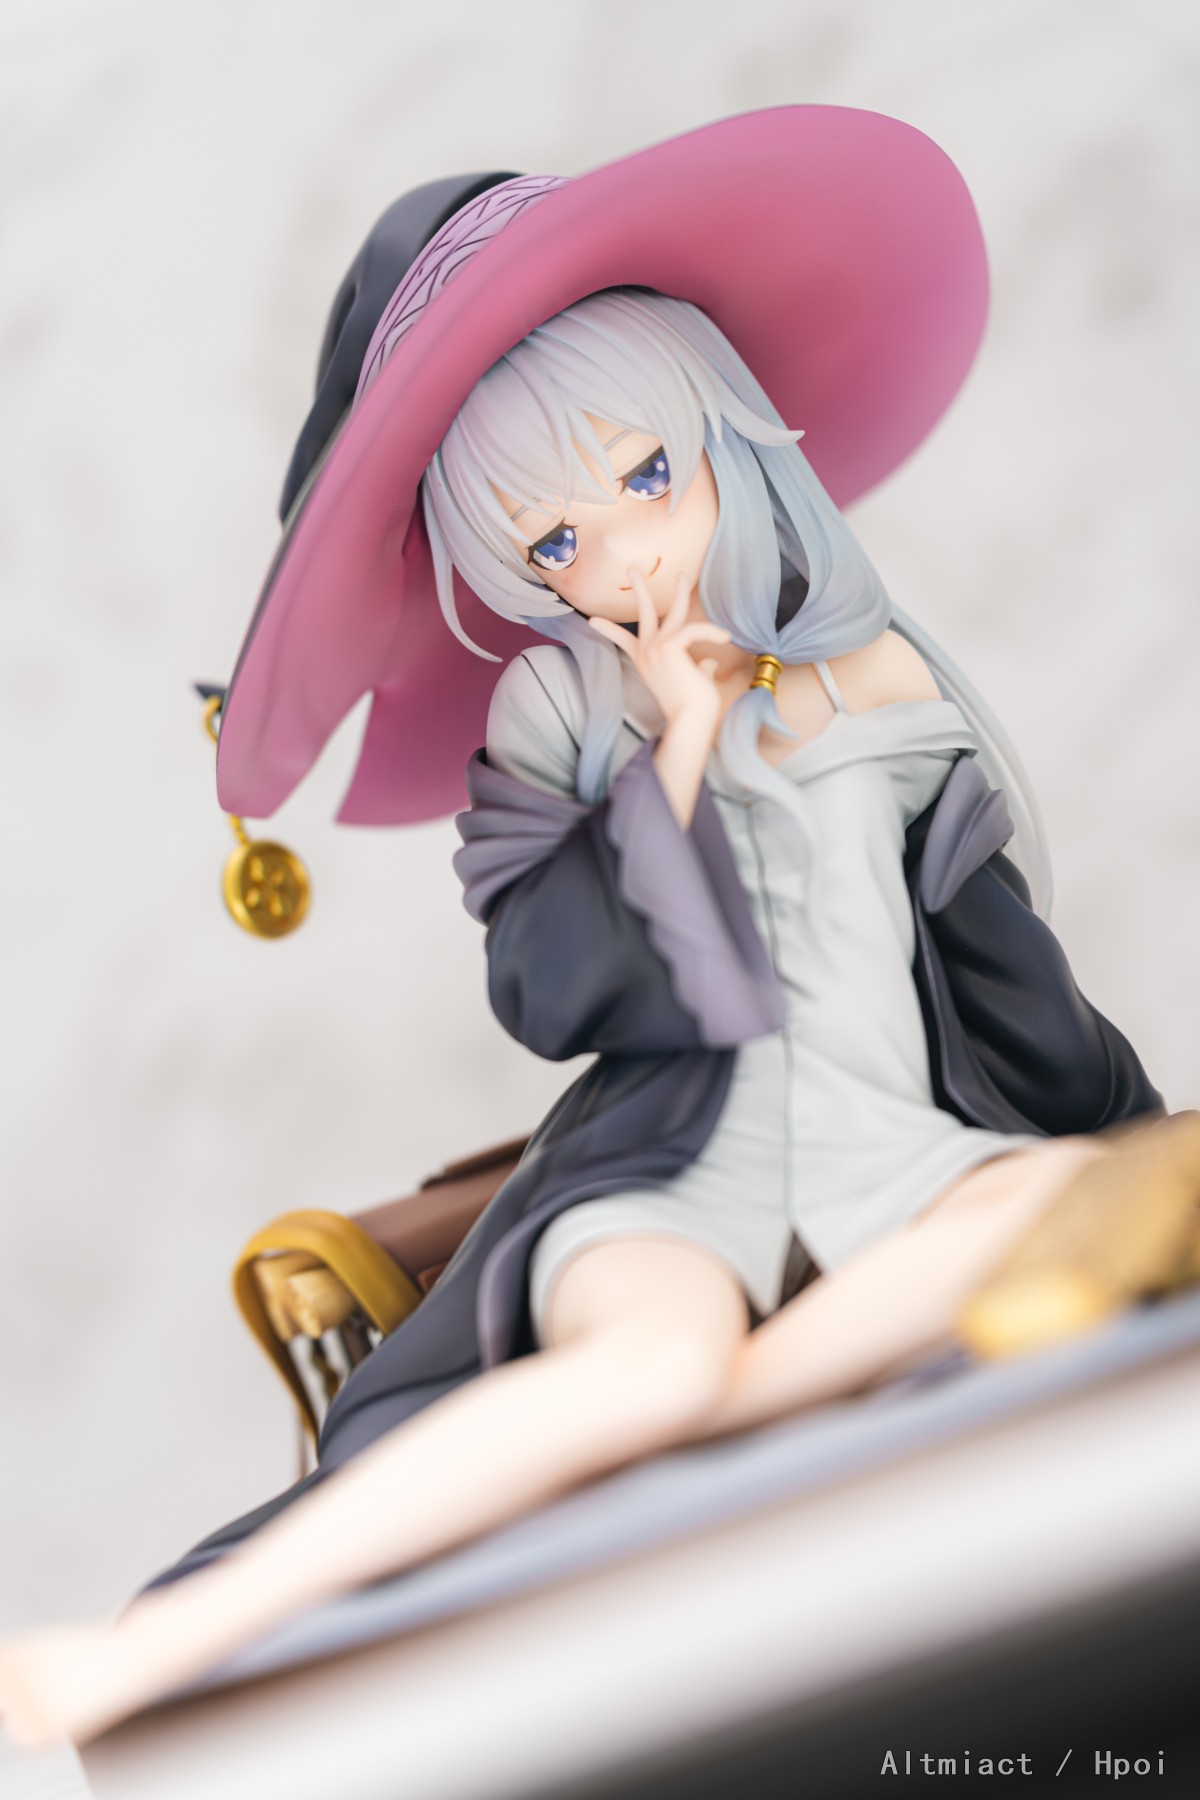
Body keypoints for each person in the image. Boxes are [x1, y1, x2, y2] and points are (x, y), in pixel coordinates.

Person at [0, 106, 1173, 1753]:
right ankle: (159, 1649)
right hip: (674, 1159)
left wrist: (1119, 1123)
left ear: (725, 428)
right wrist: (674, 755)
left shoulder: (878, 673)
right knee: (652, 1366)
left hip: (895, 1152)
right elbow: (554, 983)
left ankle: (716, 1423)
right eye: (555, 542)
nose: (622, 557)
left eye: (645, 476)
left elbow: (988, 957)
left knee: (1090, 1202)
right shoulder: (558, 710)